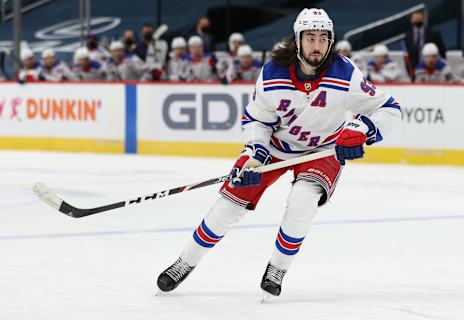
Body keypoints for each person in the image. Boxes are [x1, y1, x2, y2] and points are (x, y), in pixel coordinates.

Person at [157, 8, 401, 298]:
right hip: (274, 147)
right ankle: (184, 263)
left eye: (324, 38)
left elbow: (390, 109)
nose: (317, 45)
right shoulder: (272, 73)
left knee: (302, 203)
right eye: (310, 37)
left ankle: (277, 269)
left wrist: (363, 129)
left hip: (321, 151)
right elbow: (257, 119)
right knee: (229, 206)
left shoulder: (345, 72)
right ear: (298, 40)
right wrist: (253, 156)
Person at [404, 9, 446, 75]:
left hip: (433, 70)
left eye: (419, 18)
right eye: (415, 19)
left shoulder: (433, 33)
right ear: (411, 20)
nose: (417, 20)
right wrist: (411, 72)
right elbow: (407, 55)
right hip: (414, 70)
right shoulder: (408, 36)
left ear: (423, 19)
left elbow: (442, 52)